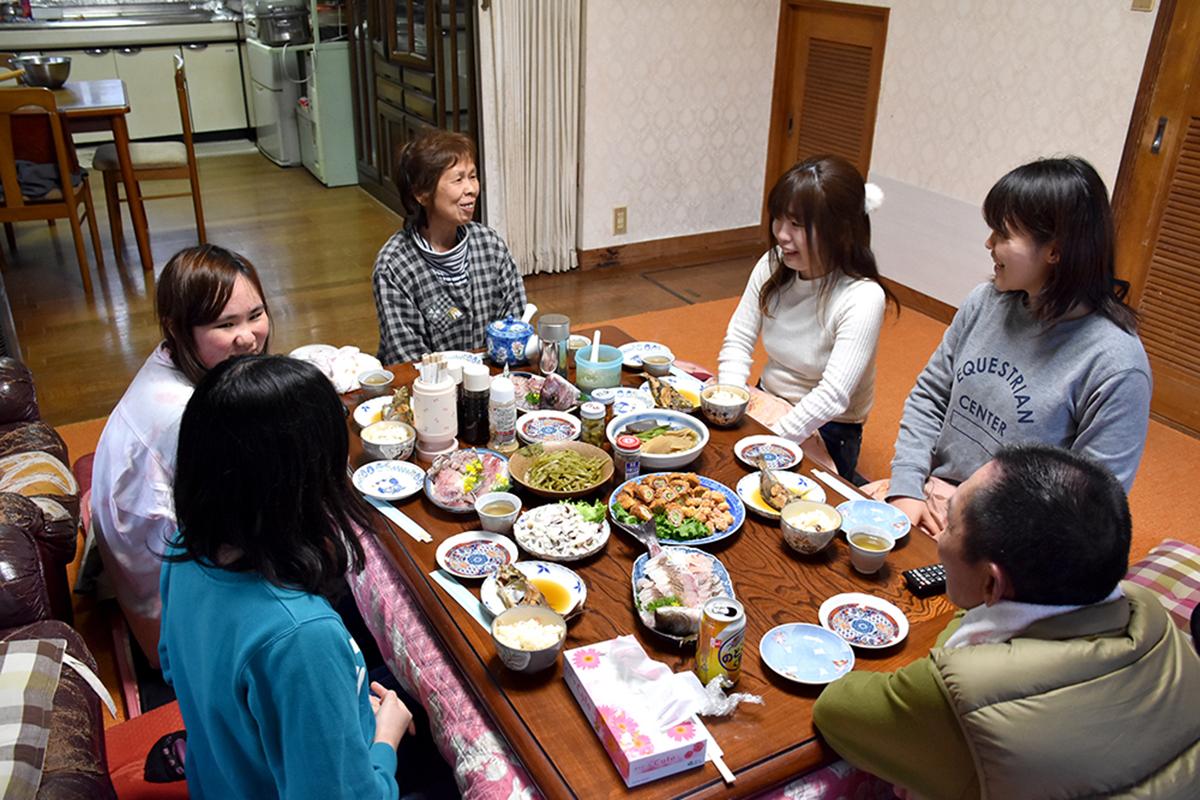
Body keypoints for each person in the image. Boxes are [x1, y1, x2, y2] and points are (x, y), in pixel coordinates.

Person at [814, 445, 1200, 799]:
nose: (939, 535)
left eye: (948, 525)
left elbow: (837, 711)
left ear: (992, 582)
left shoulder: (959, 687)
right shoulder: (1150, 612)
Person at [160, 355, 414, 799]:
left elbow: (172, 664)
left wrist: (337, 708)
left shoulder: (185, 548)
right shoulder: (301, 637)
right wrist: (384, 739)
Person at [879, 156, 1150, 536]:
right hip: (935, 496)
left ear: (1055, 251)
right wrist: (906, 488)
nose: (988, 243)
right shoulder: (984, 302)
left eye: (1003, 234)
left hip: (1017, 539)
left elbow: (1092, 508)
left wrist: (976, 540)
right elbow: (929, 396)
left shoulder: (1116, 364)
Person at [90, 244, 270, 666]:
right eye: (225, 324)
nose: (247, 337)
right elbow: (240, 529)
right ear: (177, 327)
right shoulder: (187, 416)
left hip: (145, 572)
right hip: (170, 627)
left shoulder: (170, 363)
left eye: (255, 315)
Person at [717, 155, 893, 481]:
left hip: (828, 426)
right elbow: (739, 340)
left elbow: (833, 396)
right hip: (766, 398)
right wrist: (728, 403)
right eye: (779, 219)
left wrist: (770, 441)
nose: (782, 235)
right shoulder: (773, 263)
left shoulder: (863, 296)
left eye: (797, 225)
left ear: (840, 231)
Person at [373, 130, 526, 364]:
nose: (472, 189)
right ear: (421, 194)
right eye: (458, 179)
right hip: (428, 391)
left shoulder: (490, 246)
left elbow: (516, 328)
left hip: (490, 383)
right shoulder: (394, 266)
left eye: (472, 176)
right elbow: (408, 360)